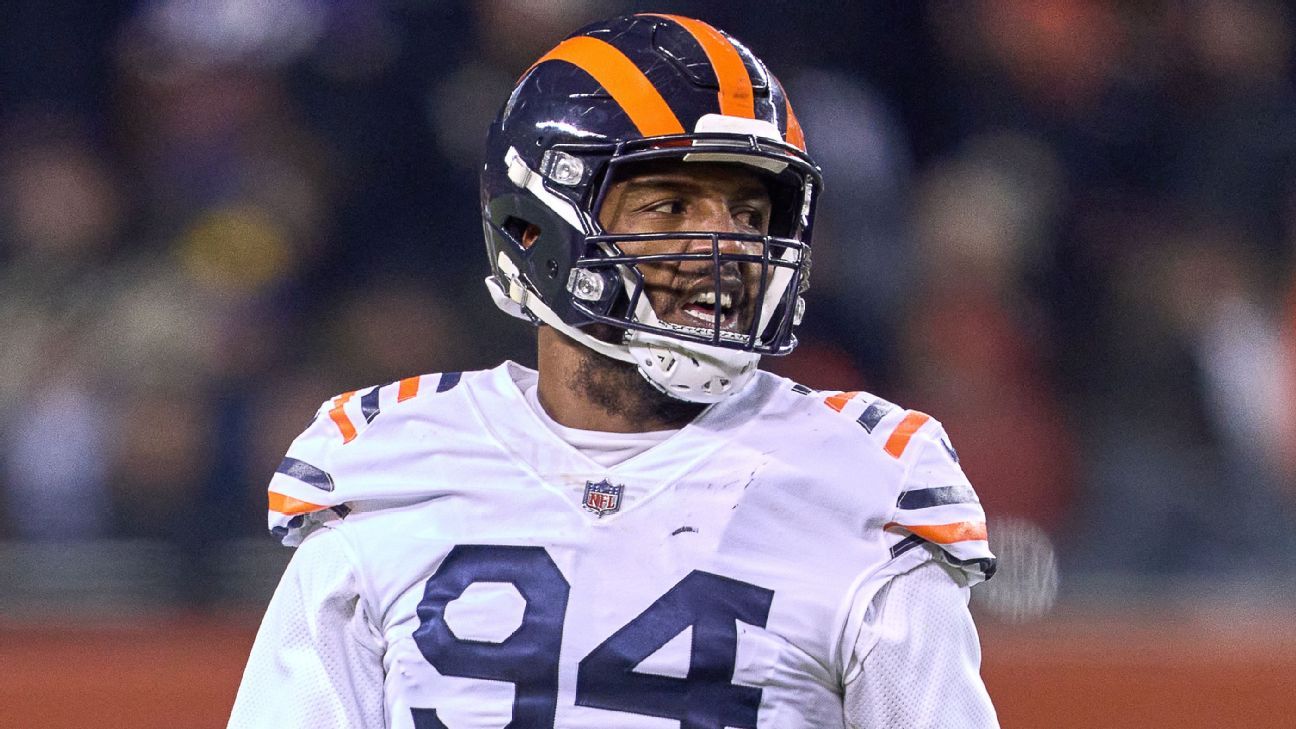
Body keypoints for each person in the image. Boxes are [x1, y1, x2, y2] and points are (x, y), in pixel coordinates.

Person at [229, 13, 998, 729]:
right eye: (670, 206)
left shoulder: (860, 483)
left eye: (750, 214)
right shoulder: (389, 467)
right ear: (538, 227)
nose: (725, 248)